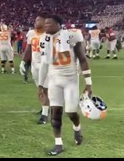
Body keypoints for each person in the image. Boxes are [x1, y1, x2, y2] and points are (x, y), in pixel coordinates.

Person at [38, 15, 92, 156]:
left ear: (58, 24)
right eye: (45, 24)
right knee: (55, 112)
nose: (46, 26)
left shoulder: (72, 36)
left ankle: (77, 128)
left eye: (49, 24)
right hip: (54, 79)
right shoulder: (44, 39)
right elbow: (44, 63)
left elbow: (82, 59)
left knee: (70, 112)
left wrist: (88, 83)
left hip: (71, 79)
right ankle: (58, 144)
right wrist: (40, 85)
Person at [20, 14, 49, 124]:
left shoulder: (49, 34)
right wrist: (23, 61)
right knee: (40, 88)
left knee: (45, 89)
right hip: (34, 64)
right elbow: (28, 48)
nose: (35, 22)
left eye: (38, 20)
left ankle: (45, 115)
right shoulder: (31, 33)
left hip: (45, 64)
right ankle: (44, 108)